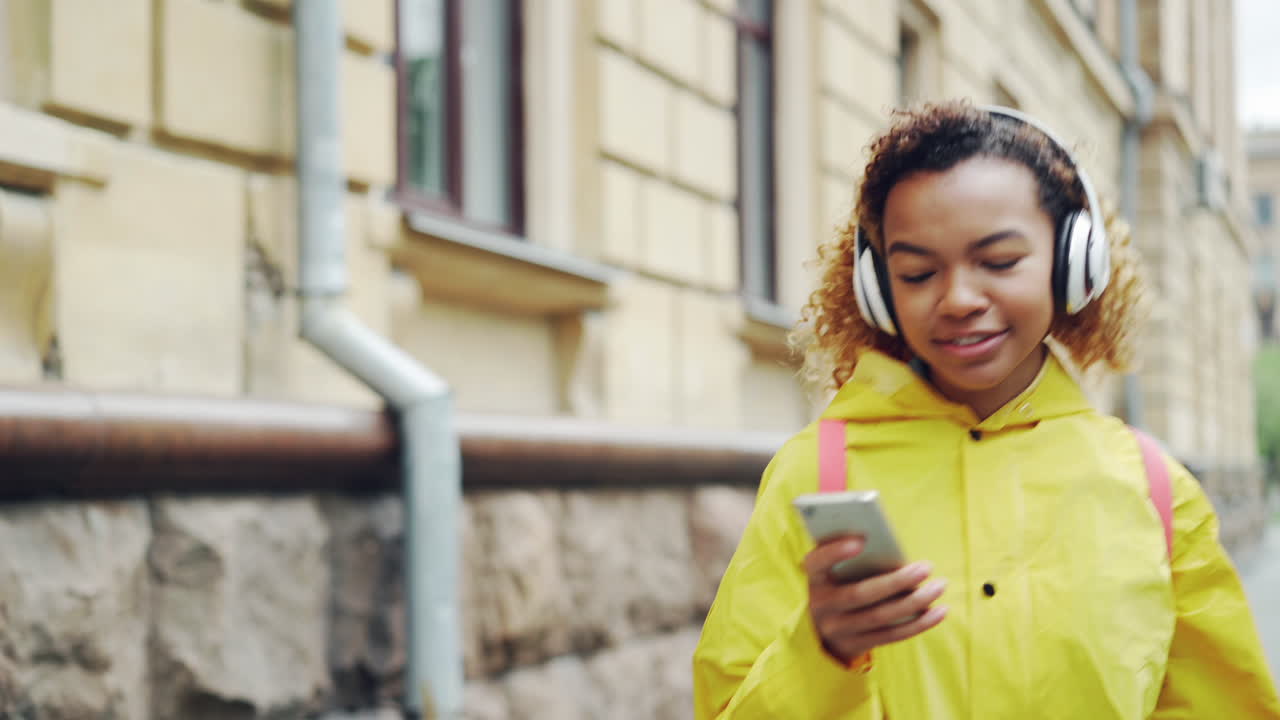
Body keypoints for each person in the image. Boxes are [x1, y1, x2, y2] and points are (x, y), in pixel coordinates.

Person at [692, 100, 1280, 719]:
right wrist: (820, 655)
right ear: (877, 289)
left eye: (999, 262)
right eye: (918, 273)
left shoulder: (1156, 491)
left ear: (1072, 261)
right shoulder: (815, 473)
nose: (959, 299)